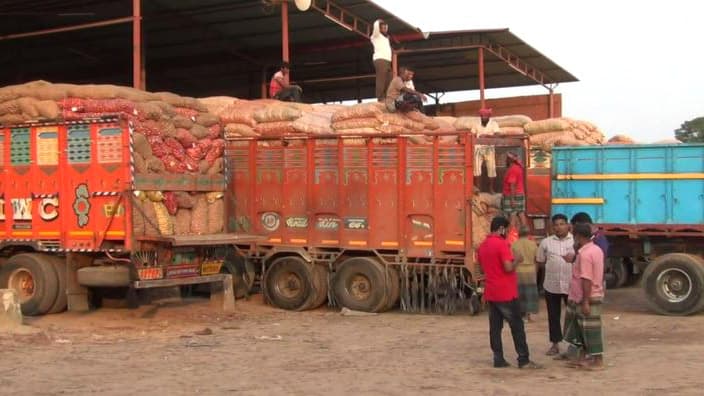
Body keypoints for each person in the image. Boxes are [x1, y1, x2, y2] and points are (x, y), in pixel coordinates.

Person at [477, 215, 541, 369]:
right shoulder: (502, 244)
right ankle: (523, 359)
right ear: (501, 229)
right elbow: (508, 267)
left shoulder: (483, 246)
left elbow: (482, 268)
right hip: (506, 292)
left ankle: (498, 359)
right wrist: (517, 260)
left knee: (495, 328)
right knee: (517, 326)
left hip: (491, 291)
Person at [563, 223, 606, 370]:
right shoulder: (595, 250)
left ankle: (598, 360)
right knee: (580, 328)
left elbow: (586, 278)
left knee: (590, 329)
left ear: (578, 237)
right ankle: (583, 357)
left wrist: (586, 301)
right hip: (582, 295)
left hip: (587, 296)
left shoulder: (586, 255)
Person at [536, 213, 575, 356]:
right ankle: (555, 344)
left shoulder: (574, 241)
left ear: (567, 225)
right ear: (552, 227)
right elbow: (540, 261)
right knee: (553, 316)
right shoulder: (546, 242)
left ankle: (573, 344)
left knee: (572, 315)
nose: (559, 227)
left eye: (561, 224)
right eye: (556, 225)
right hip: (551, 285)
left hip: (570, 285)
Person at [512, 226, 539, 322]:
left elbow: (512, 259)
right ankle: (529, 315)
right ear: (528, 234)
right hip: (531, 270)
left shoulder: (514, 244)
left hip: (518, 270)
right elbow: (537, 258)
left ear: (519, 234)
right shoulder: (533, 244)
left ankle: (521, 315)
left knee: (520, 293)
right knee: (530, 294)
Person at [502, 152, 528, 228]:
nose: (505, 161)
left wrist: (512, 200)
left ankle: (512, 235)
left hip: (512, 195)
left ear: (510, 160)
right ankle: (525, 234)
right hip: (519, 194)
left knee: (512, 214)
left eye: (506, 159)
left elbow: (512, 185)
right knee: (521, 213)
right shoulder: (517, 168)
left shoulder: (513, 169)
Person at [371, 19, 392, 102]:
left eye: (386, 28)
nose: (385, 29)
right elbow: (376, 25)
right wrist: (379, 21)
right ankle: (380, 97)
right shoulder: (375, 36)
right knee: (381, 78)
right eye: (383, 27)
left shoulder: (385, 38)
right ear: (379, 29)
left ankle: (387, 97)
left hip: (387, 60)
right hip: (380, 59)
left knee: (389, 79)